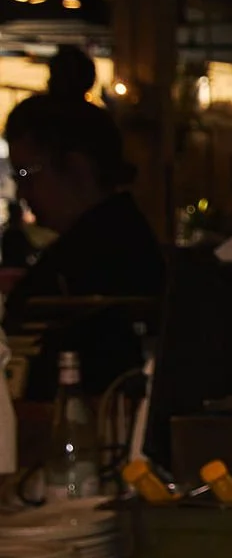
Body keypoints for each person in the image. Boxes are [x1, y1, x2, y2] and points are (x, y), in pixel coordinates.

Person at [3, 84, 166, 398]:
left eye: (28, 175)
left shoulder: (97, 256)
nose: (23, 194)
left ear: (78, 168)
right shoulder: (119, 236)